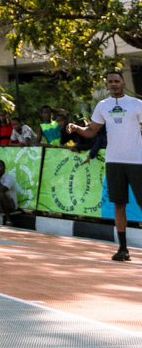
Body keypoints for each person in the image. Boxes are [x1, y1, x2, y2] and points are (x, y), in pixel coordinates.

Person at [67, 71, 142, 262]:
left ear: (123, 83)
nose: (114, 84)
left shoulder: (136, 104)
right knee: (119, 204)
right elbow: (92, 131)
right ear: (107, 85)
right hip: (113, 161)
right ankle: (123, 249)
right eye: (110, 82)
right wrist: (76, 128)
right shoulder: (103, 106)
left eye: (117, 81)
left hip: (137, 161)